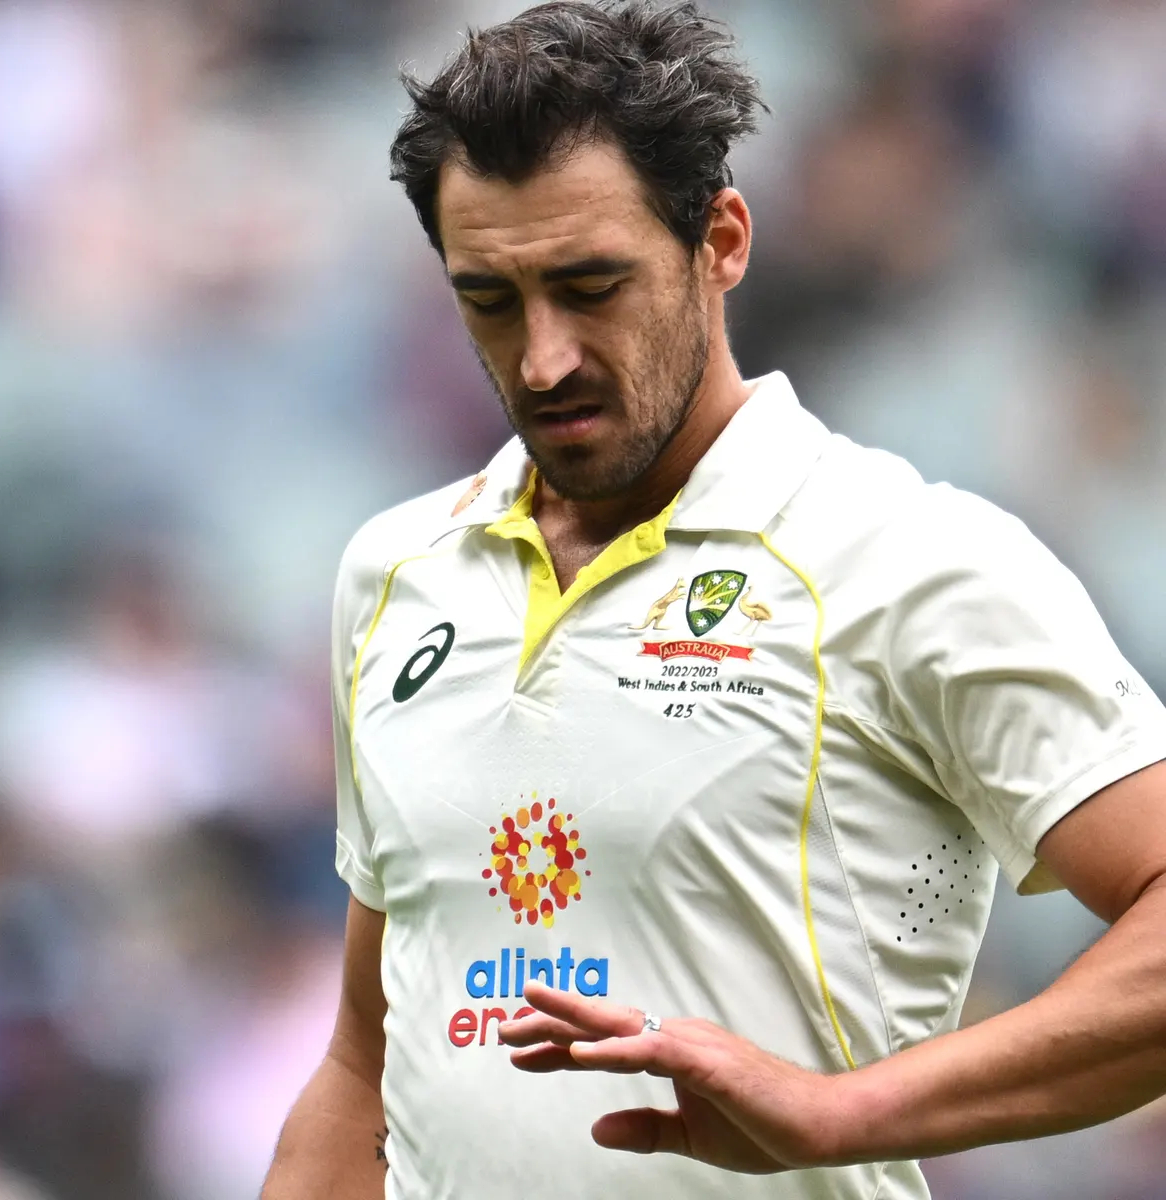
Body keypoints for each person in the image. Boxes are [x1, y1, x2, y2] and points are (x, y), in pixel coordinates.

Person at [261, 2, 1166, 1197]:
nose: (543, 359)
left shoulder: (907, 561)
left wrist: (845, 1115)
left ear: (721, 241)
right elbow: (366, 1063)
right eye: (490, 298)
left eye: (592, 286)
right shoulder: (396, 573)